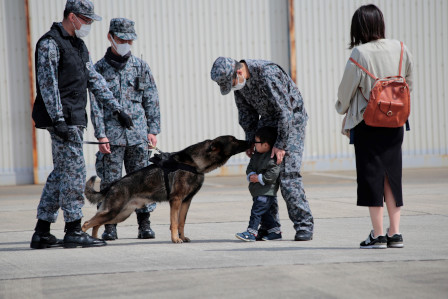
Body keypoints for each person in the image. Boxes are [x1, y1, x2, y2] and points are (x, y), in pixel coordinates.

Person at [30, 0, 133, 249]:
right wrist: (58, 120)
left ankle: (42, 231)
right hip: (63, 121)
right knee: (75, 174)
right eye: (86, 20)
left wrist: (117, 109)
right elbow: (48, 86)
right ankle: (73, 230)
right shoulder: (50, 44)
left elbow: (94, 79)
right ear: (73, 17)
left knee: (60, 175)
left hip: (74, 119)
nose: (88, 25)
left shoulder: (78, 45)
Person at [335, 4, 413, 249]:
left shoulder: (360, 53)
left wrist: (341, 108)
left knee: (372, 176)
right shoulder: (400, 47)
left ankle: (378, 235)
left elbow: (345, 90)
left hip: (367, 121)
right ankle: (395, 233)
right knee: (392, 176)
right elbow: (408, 81)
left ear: (358, 27)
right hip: (396, 120)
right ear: (380, 23)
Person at [211, 57, 314, 241]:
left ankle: (303, 225)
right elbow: (246, 114)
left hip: (291, 122)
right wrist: (251, 142)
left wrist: (281, 144)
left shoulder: (267, 74)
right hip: (267, 123)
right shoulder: (240, 85)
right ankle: (271, 228)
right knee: (261, 174)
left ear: (239, 72)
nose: (234, 87)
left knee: (288, 175)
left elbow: (285, 111)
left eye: (232, 82)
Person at [90, 18, 160, 240]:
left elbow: (151, 100)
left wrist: (153, 130)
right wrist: (101, 134)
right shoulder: (98, 69)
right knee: (111, 183)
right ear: (110, 37)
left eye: (130, 40)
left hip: (138, 135)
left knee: (142, 181)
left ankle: (144, 224)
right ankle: (110, 225)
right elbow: (96, 107)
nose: (126, 43)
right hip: (111, 137)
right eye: (122, 39)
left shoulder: (141, 67)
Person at [235, 127, 282, 242]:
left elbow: (272, 174)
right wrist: (251, 174)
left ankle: (251, 233)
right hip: (257, 190)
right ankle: (275, 232)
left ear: (266, 145)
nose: (254, 145)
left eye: (256, 142)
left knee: (256, 211)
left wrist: (259, 178)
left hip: (266, 192)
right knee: (264, 213)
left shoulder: (272, 157)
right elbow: (250, 167)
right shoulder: (256, 155)